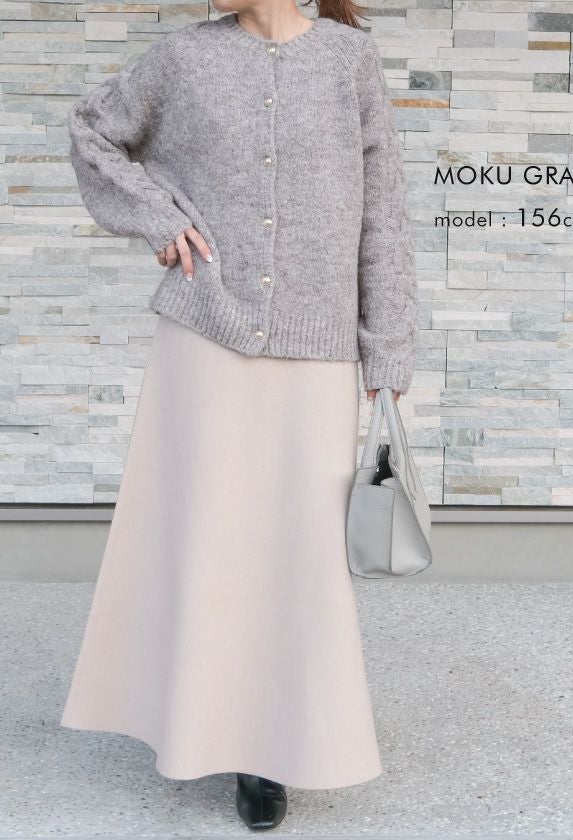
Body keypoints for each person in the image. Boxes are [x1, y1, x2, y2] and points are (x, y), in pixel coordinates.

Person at [59, 0, 418, 831]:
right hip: (206, 336)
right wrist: (159, 217)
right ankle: (197, 727)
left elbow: (383, 213)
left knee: (297, 559)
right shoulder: (184, 59)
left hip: (317, 346)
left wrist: (388, 348)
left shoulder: (349, 62)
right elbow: (92, 130)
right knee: (209, 545)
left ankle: (272, 748)